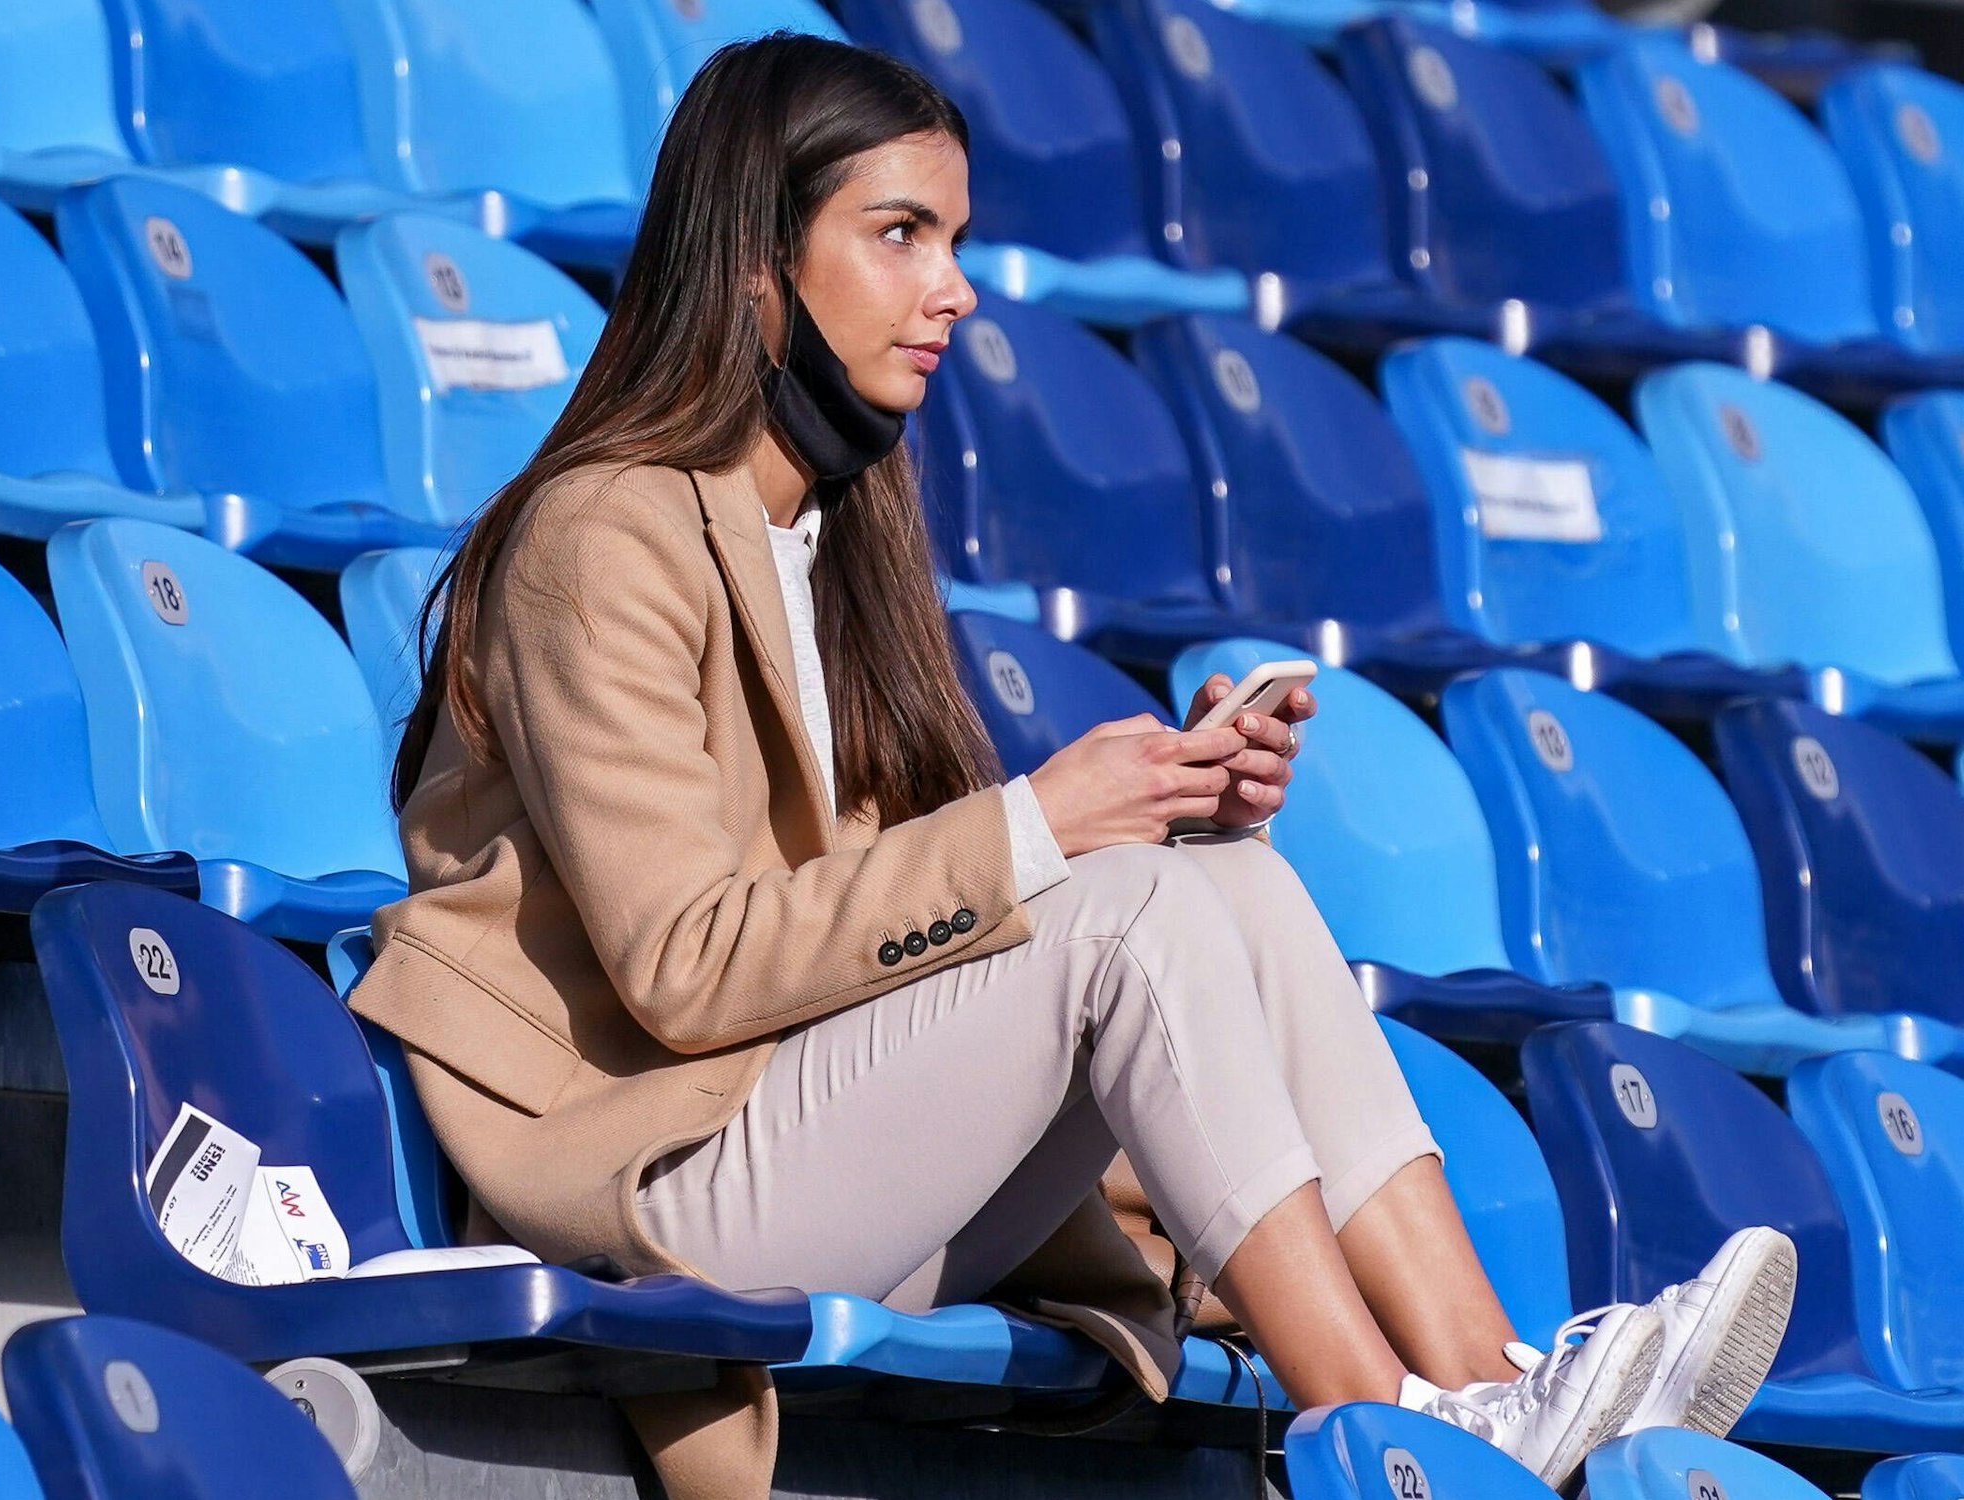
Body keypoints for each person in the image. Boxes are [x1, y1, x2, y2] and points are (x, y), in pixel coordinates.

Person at [350, 33, 1793, 1500]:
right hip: (665, 1185)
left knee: (1223, 879)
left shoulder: (837, 546)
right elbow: (688, 968)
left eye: (956, 240)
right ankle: (1385, 1441)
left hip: (825, 1147)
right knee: (1134, 911)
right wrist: (1043, 825)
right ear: (753, 264)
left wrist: (1161, 815)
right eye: (899, 234)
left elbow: (887, 938)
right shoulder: (598, 537)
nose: (955, 289)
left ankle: (1490, 1388)